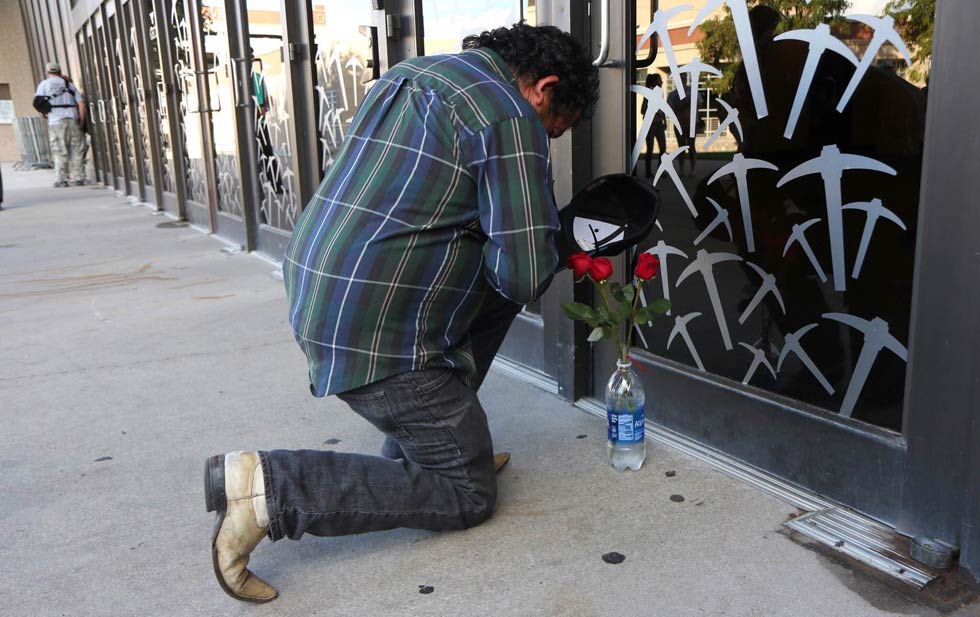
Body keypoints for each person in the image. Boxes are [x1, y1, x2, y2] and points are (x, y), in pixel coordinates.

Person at [204, 23, 599, 603]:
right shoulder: (510, 115)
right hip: (377, 333)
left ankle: (431, 436)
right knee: (468, 489)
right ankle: (268, 487)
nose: (549, 139)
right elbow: (524, 274)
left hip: (324, 294)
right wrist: (560, 240)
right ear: (545, 87)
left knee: (490, 286)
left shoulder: (413, 74)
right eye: (555, 128)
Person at [34, 62, 87, 187]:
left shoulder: (44, 85)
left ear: (48, 72)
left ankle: (62, 180)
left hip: (56, 121)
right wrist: (81, 121)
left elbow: (38, 102)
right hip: (72, 119)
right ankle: (79, 177)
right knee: (77, 149)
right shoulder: (69, 84)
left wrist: (44, 112)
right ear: (59, 71)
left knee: (59, 150)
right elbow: (81, 104)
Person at [666, 74, 703, 177]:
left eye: (683, 78)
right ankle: (681, 170)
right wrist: (683, 103)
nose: (681, 81)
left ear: (686, 80)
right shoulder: (673, 95)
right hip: (679, 124)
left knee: (691, 146)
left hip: (692, 124)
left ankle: (692, 170)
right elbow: (671, 109)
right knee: (681, 146)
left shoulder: (693, 92)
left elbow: (699, 104)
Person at [641, 73, 667, 176]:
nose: (662, 82)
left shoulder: (660, 94)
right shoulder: (648, 94)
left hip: (659, 123)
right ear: (655, 82)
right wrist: (656, 112)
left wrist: (664, 120)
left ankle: (661, 170)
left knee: (663, 148)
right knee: (650, 148)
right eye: (660, 80)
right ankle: (648, 172)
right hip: (650, 124)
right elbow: (643, 110)